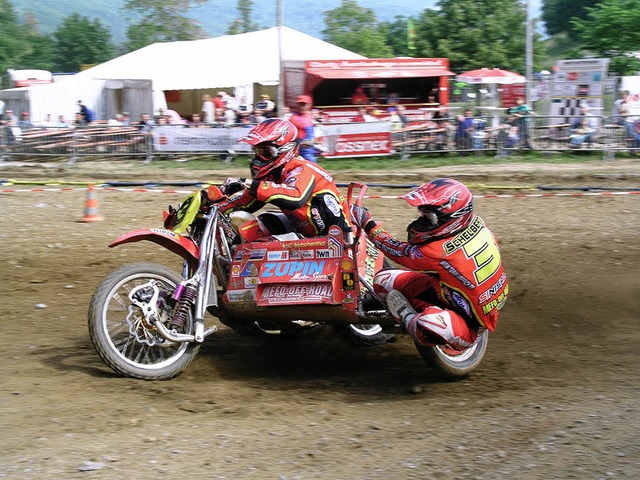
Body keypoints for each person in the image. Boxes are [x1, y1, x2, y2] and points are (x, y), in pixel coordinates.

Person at [350, 178, 508, 351]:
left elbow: (395, 250)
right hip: (449, 291)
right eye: (423, 215)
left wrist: (367, 223)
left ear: (452, 217)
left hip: (470, 322)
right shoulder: (479, 225)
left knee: (428, 324)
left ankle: (408, 317)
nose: (422, 221)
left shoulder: (439, 252)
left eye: (428, 217)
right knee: (383, 280)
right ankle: (415, 309)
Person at [202, 118, 351, 239]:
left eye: (265, 152)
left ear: (285, 150)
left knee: (265, 245)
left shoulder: (302, 168)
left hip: (336, 238)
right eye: (256, 152)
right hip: (307, 235)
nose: (258, 159)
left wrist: (248, 183)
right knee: (259, 224)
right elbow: (245, 203)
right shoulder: (273, 175)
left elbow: (295, 197)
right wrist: (211, 207)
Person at [288, 94, 317, 163]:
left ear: (309, 105)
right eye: (299, 104)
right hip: (298, 149)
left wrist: (314, 141)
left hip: (309, 149)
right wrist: (300, 143)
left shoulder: (311, 116)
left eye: (303, 104)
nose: (301, 107)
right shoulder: (293, 118)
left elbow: (315, 133)